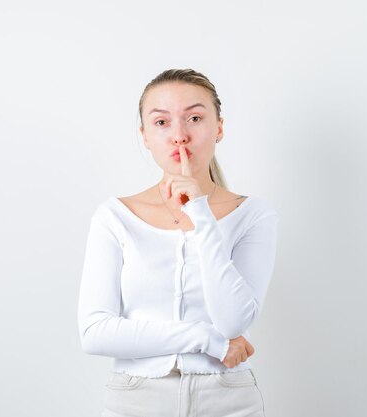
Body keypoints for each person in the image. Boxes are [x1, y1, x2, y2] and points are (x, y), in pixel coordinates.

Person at [77, 68, 279, 417]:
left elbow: (233, 322)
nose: (179, 136)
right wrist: (206, 339)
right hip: (135, 399)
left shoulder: (253, 214)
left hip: (229, 400)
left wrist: (200, 212)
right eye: (161, 123)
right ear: (144, 135)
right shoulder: (115, 217)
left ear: (219, 128)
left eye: (195, 118)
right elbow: (95, 332)